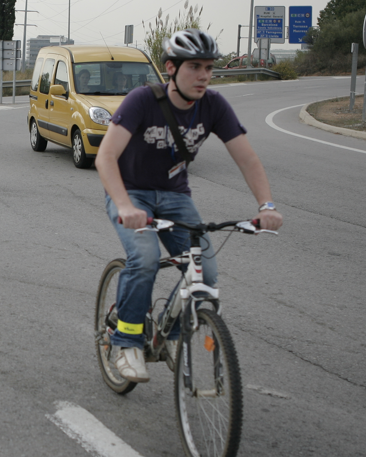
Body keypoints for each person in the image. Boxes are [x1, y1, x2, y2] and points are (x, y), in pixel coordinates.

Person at [94, 29, 283, 382]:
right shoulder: (142, 101)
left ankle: (174, 336)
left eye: (209, 68)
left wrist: (266, 205)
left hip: (175, 196)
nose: (204, 76)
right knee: (145, 258)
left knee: (205, 275)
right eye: (194, 66)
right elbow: (106, 157)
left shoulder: (213, 105)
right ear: (171, 68)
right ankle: (126, 340)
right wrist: (123, 205)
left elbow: (248, 159)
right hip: (131, 193)